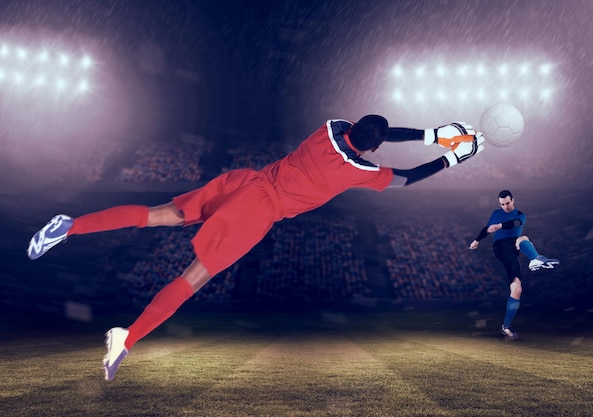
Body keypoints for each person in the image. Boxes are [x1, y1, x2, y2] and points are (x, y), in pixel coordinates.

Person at [28, 116, 484, 380]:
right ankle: (126, 337)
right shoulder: (358, 171)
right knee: (194, 278)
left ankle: (69, 227)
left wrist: (432, 133)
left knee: (157, 214)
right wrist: (452, 156)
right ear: (371, 149)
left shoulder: (329, 129)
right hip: (258, 210)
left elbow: (375, 129)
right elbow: (406, 178)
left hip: (243, 180)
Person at [468, 189, 559, 340]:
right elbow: (487, 228)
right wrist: (477, 240)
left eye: (507, 203)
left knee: (517, 289)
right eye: (502, 204)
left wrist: (499, 226)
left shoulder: (521, 215)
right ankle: (536, 258)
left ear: (513, 200)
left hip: (512, 250)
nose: (505, 206)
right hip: (500, 247)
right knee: (522, 238)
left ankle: (506, 327)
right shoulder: (496, 213)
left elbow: (514, 224)